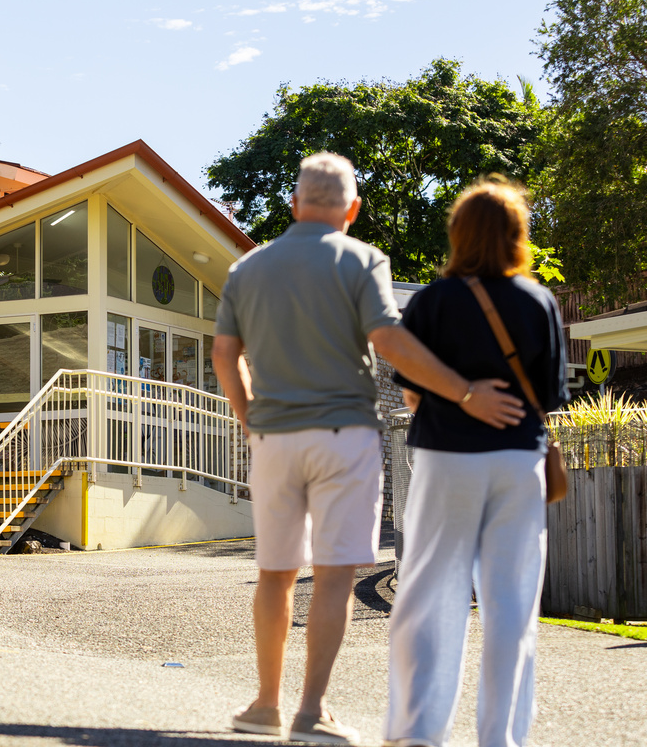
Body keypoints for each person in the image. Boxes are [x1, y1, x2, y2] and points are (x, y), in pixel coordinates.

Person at [212, 153, 525, 744]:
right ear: (351, 209)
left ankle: (263, 704)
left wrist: (250, 418)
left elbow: (224, 355)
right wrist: (462, 392)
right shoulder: (362, 260)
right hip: (344, 438)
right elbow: (388, 341)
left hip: (274, 440)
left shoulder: (248, 269)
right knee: (332, 577)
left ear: (295, 204)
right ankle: (310, 712)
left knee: (274, 575)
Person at [383, 178, 568, 747]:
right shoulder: (538, 301)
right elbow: (548, 397)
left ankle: (418, 732)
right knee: (512, 604)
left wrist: (457, 397)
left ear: (458, 234)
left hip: (446, 458)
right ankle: (501, 739)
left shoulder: (434, 301)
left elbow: (411, 389)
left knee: (431, 592)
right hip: (517, 463)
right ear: (518, 235)